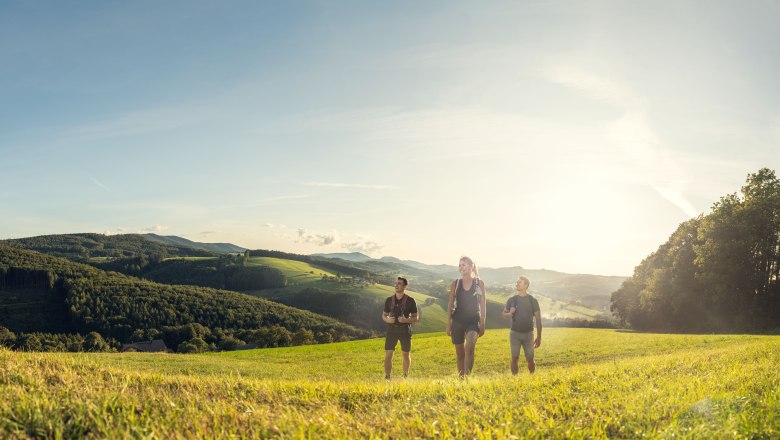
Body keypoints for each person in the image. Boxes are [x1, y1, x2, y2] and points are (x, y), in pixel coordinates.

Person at [446, 256, 487, 378]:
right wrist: (448, 324)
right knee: (460, 354)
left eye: (463, 265)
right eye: (459, 265)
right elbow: (450, 304)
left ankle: (467, 378)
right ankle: (461, 379)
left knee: (469, 347)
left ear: (471, 266)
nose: (461, 267)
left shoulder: (479, 283)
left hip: (473, 321)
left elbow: (483, 304)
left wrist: (482, 323)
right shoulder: (456, 283)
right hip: (458, 321)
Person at [502, 275, 542, 374]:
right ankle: (515, 379)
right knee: (514, 358)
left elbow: (538, 319)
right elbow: (503, 314)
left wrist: (539, 337)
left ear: (526, 285)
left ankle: (532, 377)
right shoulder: (512, 300)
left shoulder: (533, 301)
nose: (517, 284)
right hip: (514, 334)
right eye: (517, 282)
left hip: (529, 334)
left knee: (530, 359)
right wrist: (509, 314)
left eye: (519, 282)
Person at [382, 277, 419, 380]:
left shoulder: (411, 300)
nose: (396, 285)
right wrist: (388, 320)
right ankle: (387, 377)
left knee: (406, 354)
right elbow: (384, 315)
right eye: (396, 283)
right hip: (392, 330)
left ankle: (405, 376)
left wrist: (406, 320)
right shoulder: (389, 300)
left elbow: (416, 317)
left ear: (405, 286)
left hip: (405, 331)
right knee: (388, 354)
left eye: (399, 283)